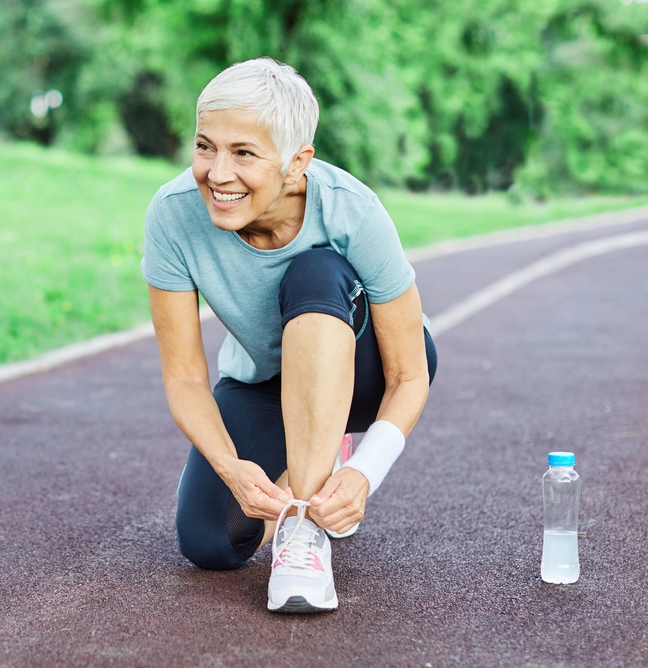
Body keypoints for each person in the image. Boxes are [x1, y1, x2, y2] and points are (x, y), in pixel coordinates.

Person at [141, 57, 437, 614]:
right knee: (210, 542)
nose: (217, 174)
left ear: (298, 163)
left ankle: (307, 533)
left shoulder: (353, 211)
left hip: (368, 372)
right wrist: (232, 469)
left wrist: (362, 473)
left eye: (244, 153)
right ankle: (315, 462)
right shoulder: (173, 215)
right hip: (265, 381)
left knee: (316, 272)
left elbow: (410, 372)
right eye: (206, 146)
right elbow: (183, 375)